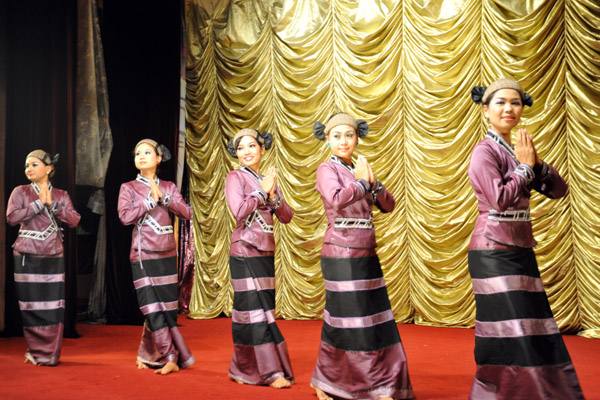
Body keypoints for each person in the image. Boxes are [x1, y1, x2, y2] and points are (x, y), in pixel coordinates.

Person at [467, 78, 584, 399]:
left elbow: (559, 190)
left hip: (520, 248)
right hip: (492, 250)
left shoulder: (517, 150)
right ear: (485, 109)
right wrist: (525, 168)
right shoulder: (483, 151)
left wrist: (536, 165)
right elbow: (499, 199)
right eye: (500, 102)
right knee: (508, 330)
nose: (509, 108)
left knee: (533, 327)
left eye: (515, 103)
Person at [310, 113, 414, 400]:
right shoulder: (325, 169)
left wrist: (374, 183)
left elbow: (389, 205)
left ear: (357, 138)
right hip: (340, 253)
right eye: (337, 135)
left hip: (367, 251)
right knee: (349, 321)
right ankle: (359, 386)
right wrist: (363, 183)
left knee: (370, 319)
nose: (344, 141)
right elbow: (336, 199)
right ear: (327, 139)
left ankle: (333, 380)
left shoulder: (359, 168)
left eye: (349, 135)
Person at [224, 128, 295, 389]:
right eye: (240, 148)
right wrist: (261, 193)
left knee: (253, 311)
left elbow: (287, 216)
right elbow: (239, 211)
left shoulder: (266, 179)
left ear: (262, 149)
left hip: (265, 250)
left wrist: (273, 196)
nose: (246, 152)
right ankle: (270, 371)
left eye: (251, 146)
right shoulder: (235, 177)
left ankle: (240, 367)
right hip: (244, 249)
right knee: (255, 312)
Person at [118, 139, 195, 375]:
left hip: (166, 254)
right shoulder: (128, 187)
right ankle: (170, 355)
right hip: (142, 255)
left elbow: (187, 212)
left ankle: (148, 354)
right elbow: (125, 217)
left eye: (147, 152)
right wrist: (149, 200)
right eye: (137, 152)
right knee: (151, 308)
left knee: (166, 308)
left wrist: (164, 198)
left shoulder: (170, 186)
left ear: (158, 158)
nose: (141, 156)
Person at [6, 150, 80, 366]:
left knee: (53, 306)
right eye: (26, 165)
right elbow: (11, 218)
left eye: (34, 164)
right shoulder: (20, 191)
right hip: (26, 255)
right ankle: (36, 351)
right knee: (31, 306)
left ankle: (50, 354)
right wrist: (38, 203)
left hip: (53, 253)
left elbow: (75, 220)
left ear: (49, 168)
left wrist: (53, 205)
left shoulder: (62, 194)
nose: (28, 169)